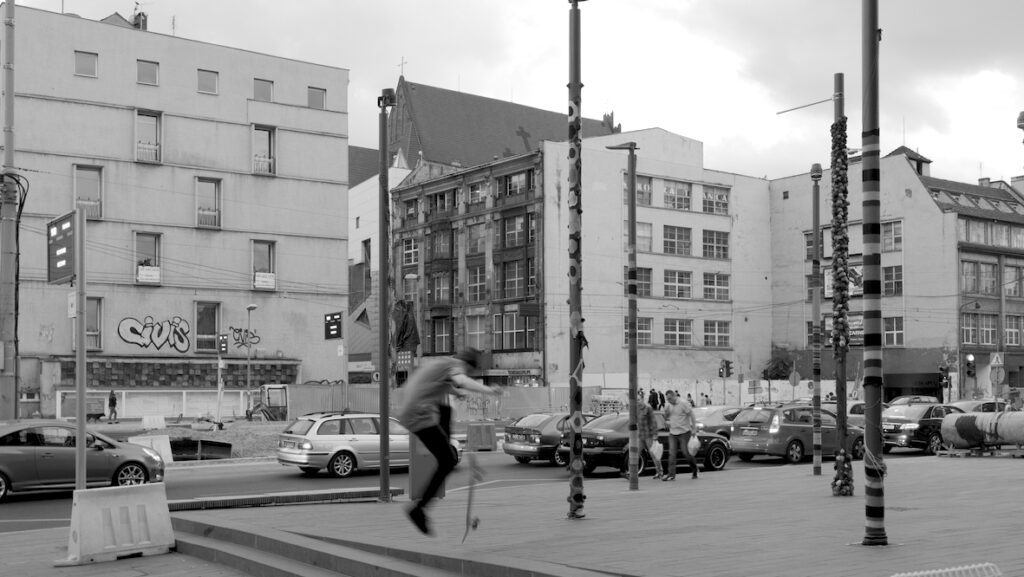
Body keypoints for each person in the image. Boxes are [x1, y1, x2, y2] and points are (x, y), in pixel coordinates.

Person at [398, 348, 500, 535]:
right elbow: (461, 380)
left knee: (445, 411)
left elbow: (444, 385)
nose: (467, 374)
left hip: (411, 412)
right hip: (418, 414)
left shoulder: (441, 364)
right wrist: (489, 390)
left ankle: (449, 450)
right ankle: (418, 510)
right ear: (468, 365)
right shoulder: (455, 365)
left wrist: (456, 392)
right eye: (470, 371)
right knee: (447, 461)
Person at [663, 390, 698, 481]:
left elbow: (692, 415)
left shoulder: (683, 403)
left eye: (670, 398)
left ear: (675, 396)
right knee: (672, 454)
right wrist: (666, 415)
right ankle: (671, 474)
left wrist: (694, 429)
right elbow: (666, 417)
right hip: (672, 433)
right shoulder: (668, 405)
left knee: (686, 453)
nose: (668, 401)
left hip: (684, 432)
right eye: (667, 399)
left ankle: (694, 469)